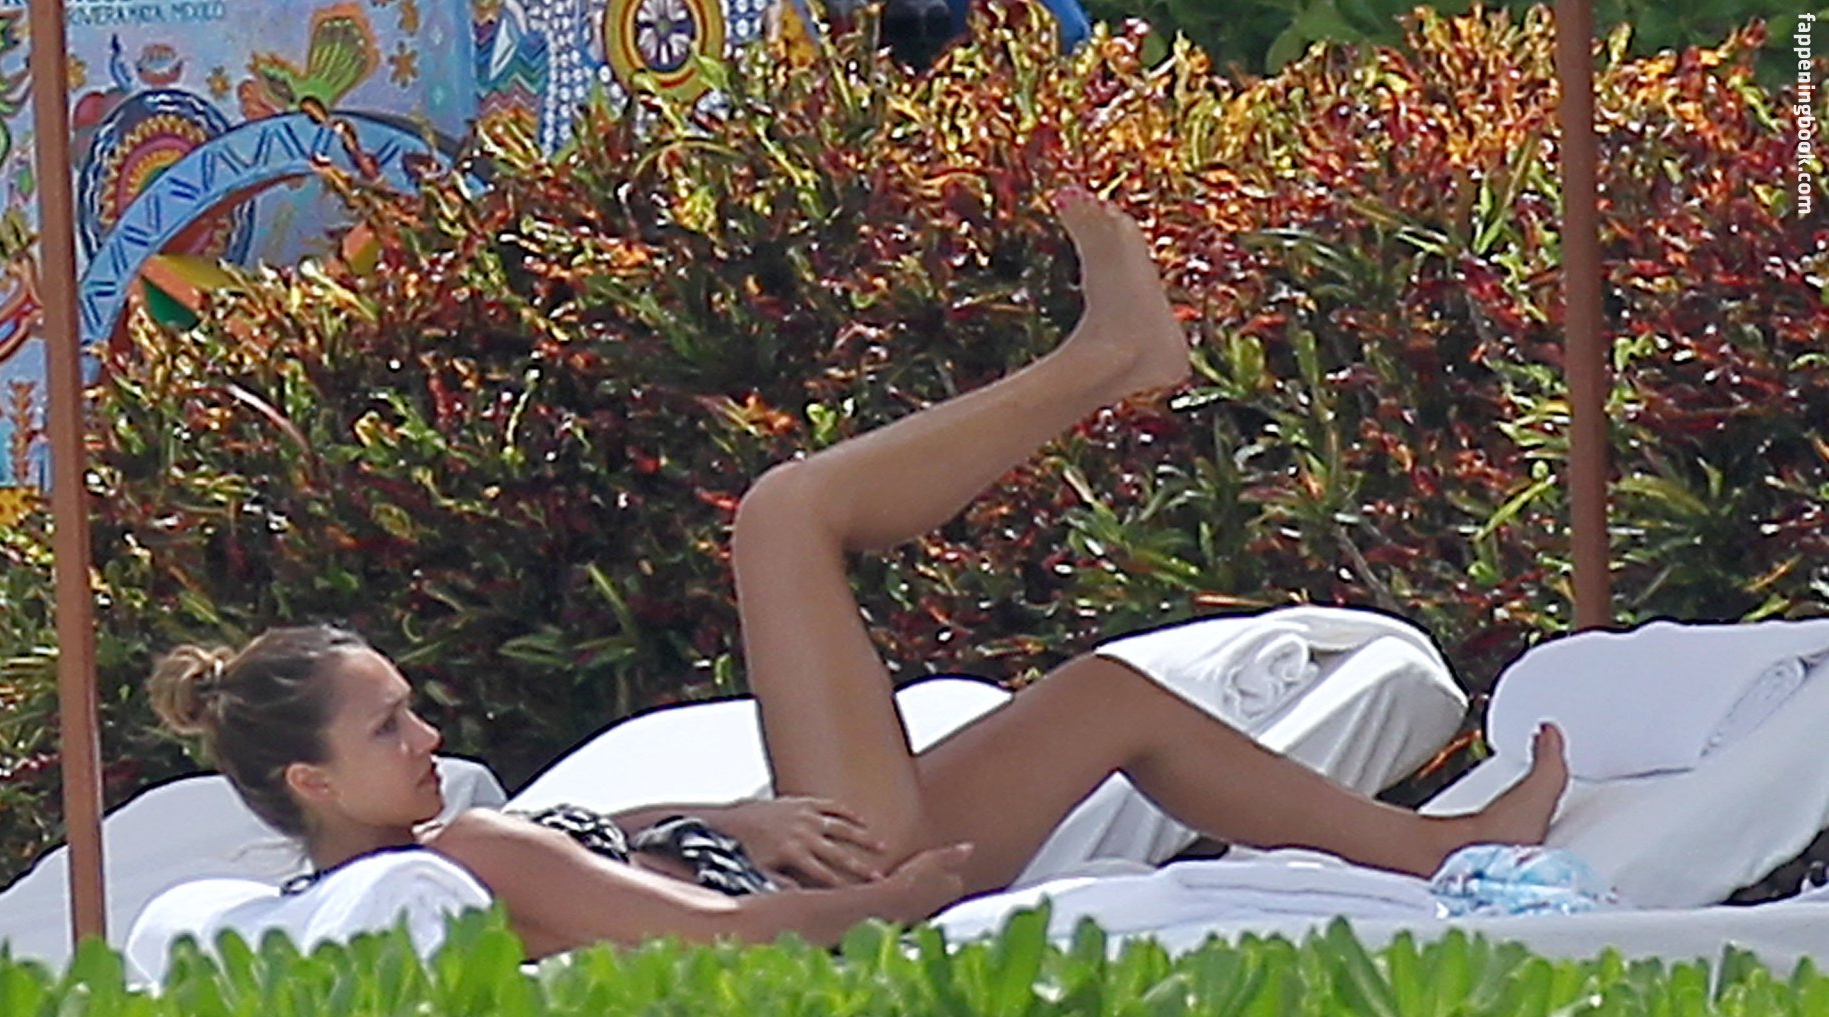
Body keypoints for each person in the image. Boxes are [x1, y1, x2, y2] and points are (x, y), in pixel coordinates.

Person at [149, 187, 1568, 960]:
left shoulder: (440, 857)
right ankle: (1109, 358)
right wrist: (900, 899)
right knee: (784, 518)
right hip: (851, 889)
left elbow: (596, 863)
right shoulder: (457, 858)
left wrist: (724, 813)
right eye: (389, 726)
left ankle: (1443, 849)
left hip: (818, 853)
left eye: (410, 707)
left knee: (1106, 701)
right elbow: (723, 941)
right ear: (312, 781)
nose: (428, 735)